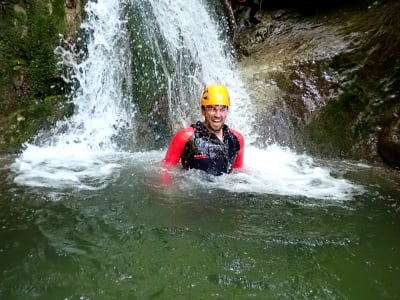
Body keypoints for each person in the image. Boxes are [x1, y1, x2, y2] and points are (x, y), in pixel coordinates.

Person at [163, 84, 244, 176]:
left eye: (222, 109)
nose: (217, 115)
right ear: (203, 110)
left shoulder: (236, 139)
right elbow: (164, 171)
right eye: (212, 109)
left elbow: (238, 172)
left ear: (226, 111)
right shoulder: (185, 137)